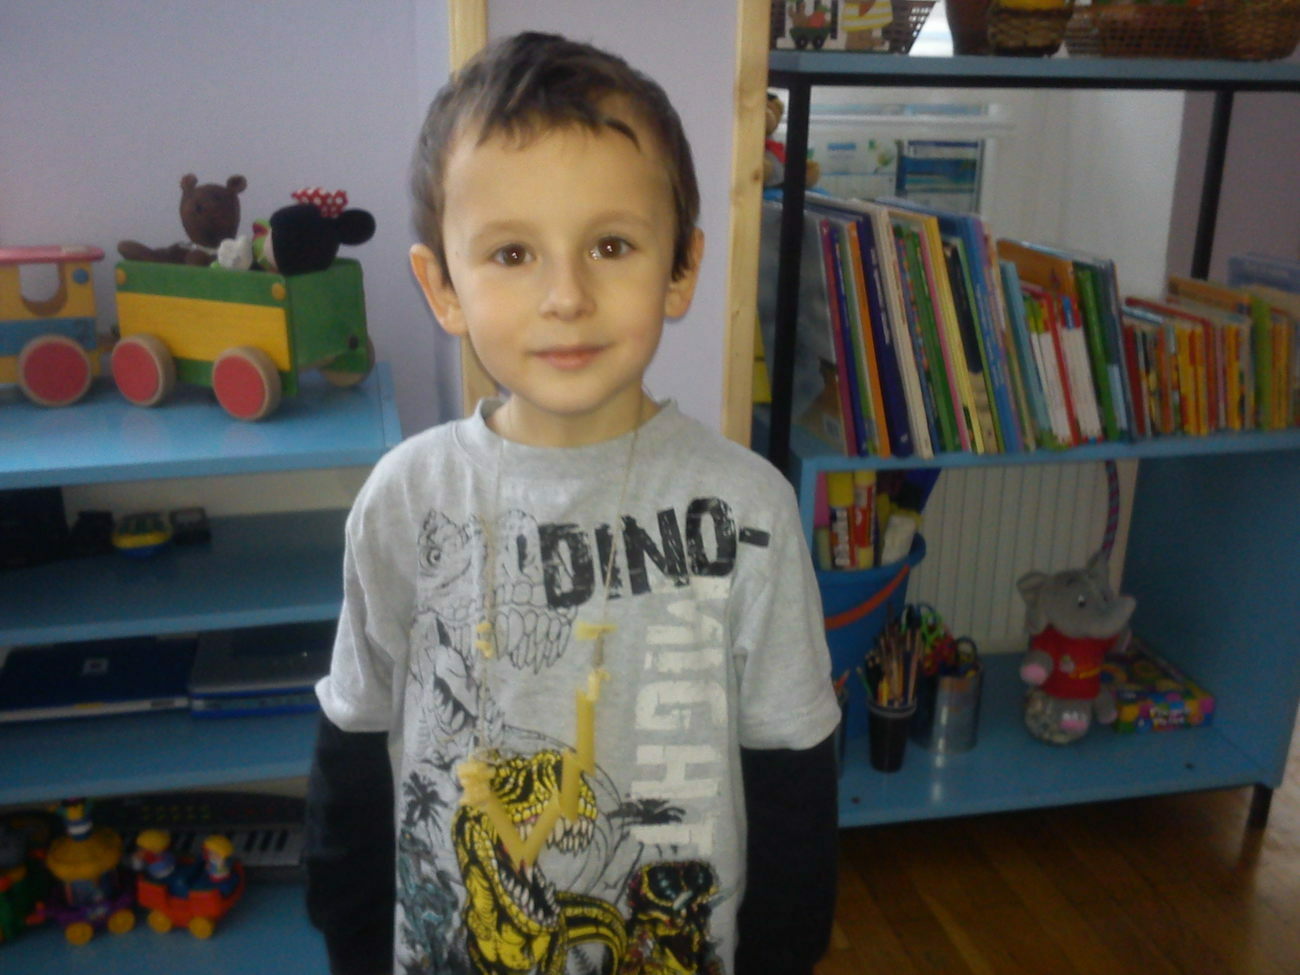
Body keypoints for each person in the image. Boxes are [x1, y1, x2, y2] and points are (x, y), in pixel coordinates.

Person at [304, 31, 840, 975]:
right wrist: (354, 949)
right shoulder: (404, 501)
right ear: (443, 287)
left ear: (681, 268)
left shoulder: (750, 510)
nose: (567, 295)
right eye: (512, 252)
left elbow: (794, 787)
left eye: (610, 245)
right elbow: (352, 750)